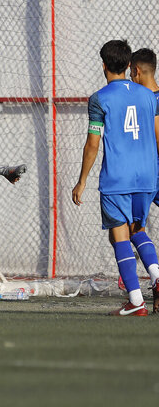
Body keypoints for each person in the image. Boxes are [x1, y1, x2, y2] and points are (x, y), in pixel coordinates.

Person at [72, 40, 159, 316]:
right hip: (147, 177)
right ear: (129, 66)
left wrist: (82, 180)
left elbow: (93, 144)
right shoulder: (148, 95)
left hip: (117, 178)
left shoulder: (99, 99)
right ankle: (157, 278)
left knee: (119, 234)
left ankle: (136, 302)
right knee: (138, 230)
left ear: (104, 65)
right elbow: (157, 135)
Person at [125, 47, 159, 312]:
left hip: (148, 174)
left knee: (131, 229)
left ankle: (152, 282)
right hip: (149, 173)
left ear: (136, 71)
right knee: (135, 228)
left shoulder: (147, 100)